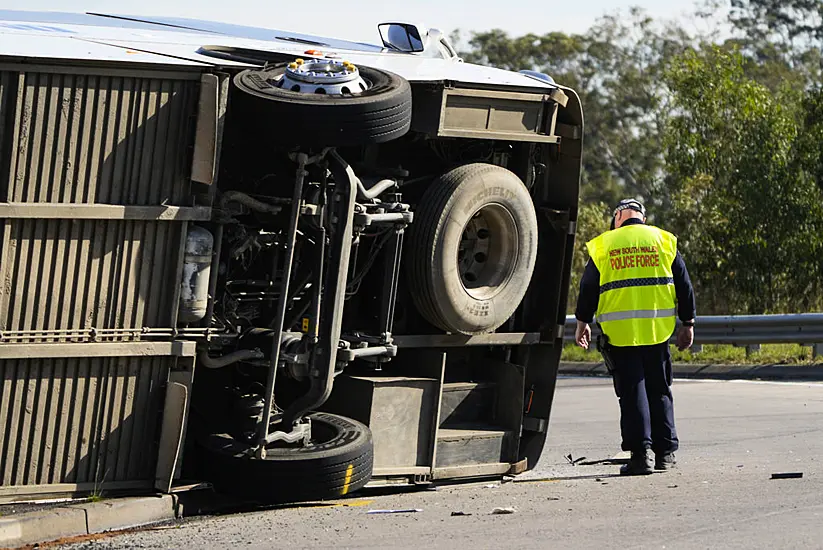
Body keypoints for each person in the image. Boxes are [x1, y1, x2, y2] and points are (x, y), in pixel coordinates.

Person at [574, 198, 696, 476]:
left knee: (632, 394)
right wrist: (687, 323)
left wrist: (583, 322)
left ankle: (641, 458)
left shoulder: (604, 245)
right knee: (660, 390)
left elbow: (588, 288)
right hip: (657, 331)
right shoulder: (664, 240)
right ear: (642, 217)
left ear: (618, 217)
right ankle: (665, 455)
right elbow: (684, 285)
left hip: (621, 335)